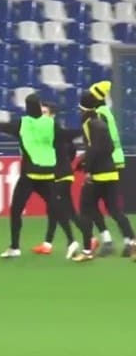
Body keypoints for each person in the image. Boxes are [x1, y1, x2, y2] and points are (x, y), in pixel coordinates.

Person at [0, 93, 58, 259]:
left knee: (16, 209)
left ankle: (15, 247)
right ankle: (66, 241)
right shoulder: (50, 123)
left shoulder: (23, 123)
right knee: (56, 207)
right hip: (47, 173)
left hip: (29, 175)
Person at [71, 94, 136, 261]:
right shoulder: (100, 122)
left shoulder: (89, 123)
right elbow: (109, 146)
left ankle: (93, 247)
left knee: (86, 208)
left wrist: (87, 168)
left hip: (98, 174)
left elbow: (93, 149)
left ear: (82, 108)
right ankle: (131, 241)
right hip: (111, 171)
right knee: (115, 210)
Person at [31, 102, 82, 258]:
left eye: (44, 112)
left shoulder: (55, 130)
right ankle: (48, 244)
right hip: (60, 174)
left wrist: (61, 165)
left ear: (52, 115)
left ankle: (74, 241)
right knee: (61, 209)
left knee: (56, 208)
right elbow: (71, 151)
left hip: (61, 175)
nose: (41, 115)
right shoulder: (53, 130)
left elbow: (69, 147)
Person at [85, 81, 130, 257]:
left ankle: (108, 240)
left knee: (91, 205)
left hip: (105, 163)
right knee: (113, 208)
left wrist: (89, 164)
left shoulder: (98, 115)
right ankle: (129, 241)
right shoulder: (107, 112)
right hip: (115, 161)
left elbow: (100, 143)